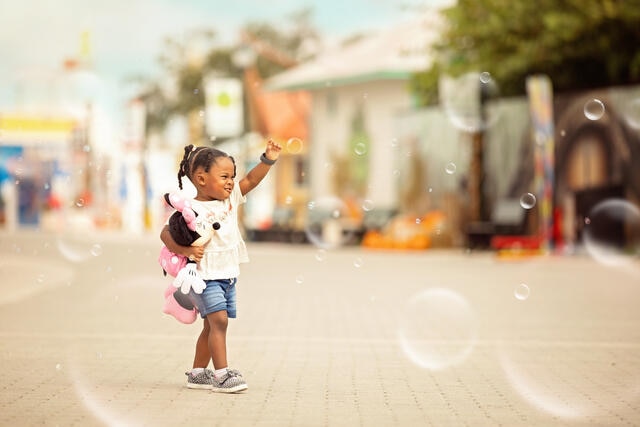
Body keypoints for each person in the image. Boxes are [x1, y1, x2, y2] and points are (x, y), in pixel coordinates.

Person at [160, 139, 281, 393]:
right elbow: (165, 233)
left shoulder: (229, 199)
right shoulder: (190, 208)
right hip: (203, 277)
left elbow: (251, 181)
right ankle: (222, 375)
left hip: (227, 275)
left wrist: (267, 159)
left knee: (210, 324)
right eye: (224, 176)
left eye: (232, 176)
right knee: (219, 322)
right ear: (202, 179)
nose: (231, 181)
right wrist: (185, 250)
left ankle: (197, 374)